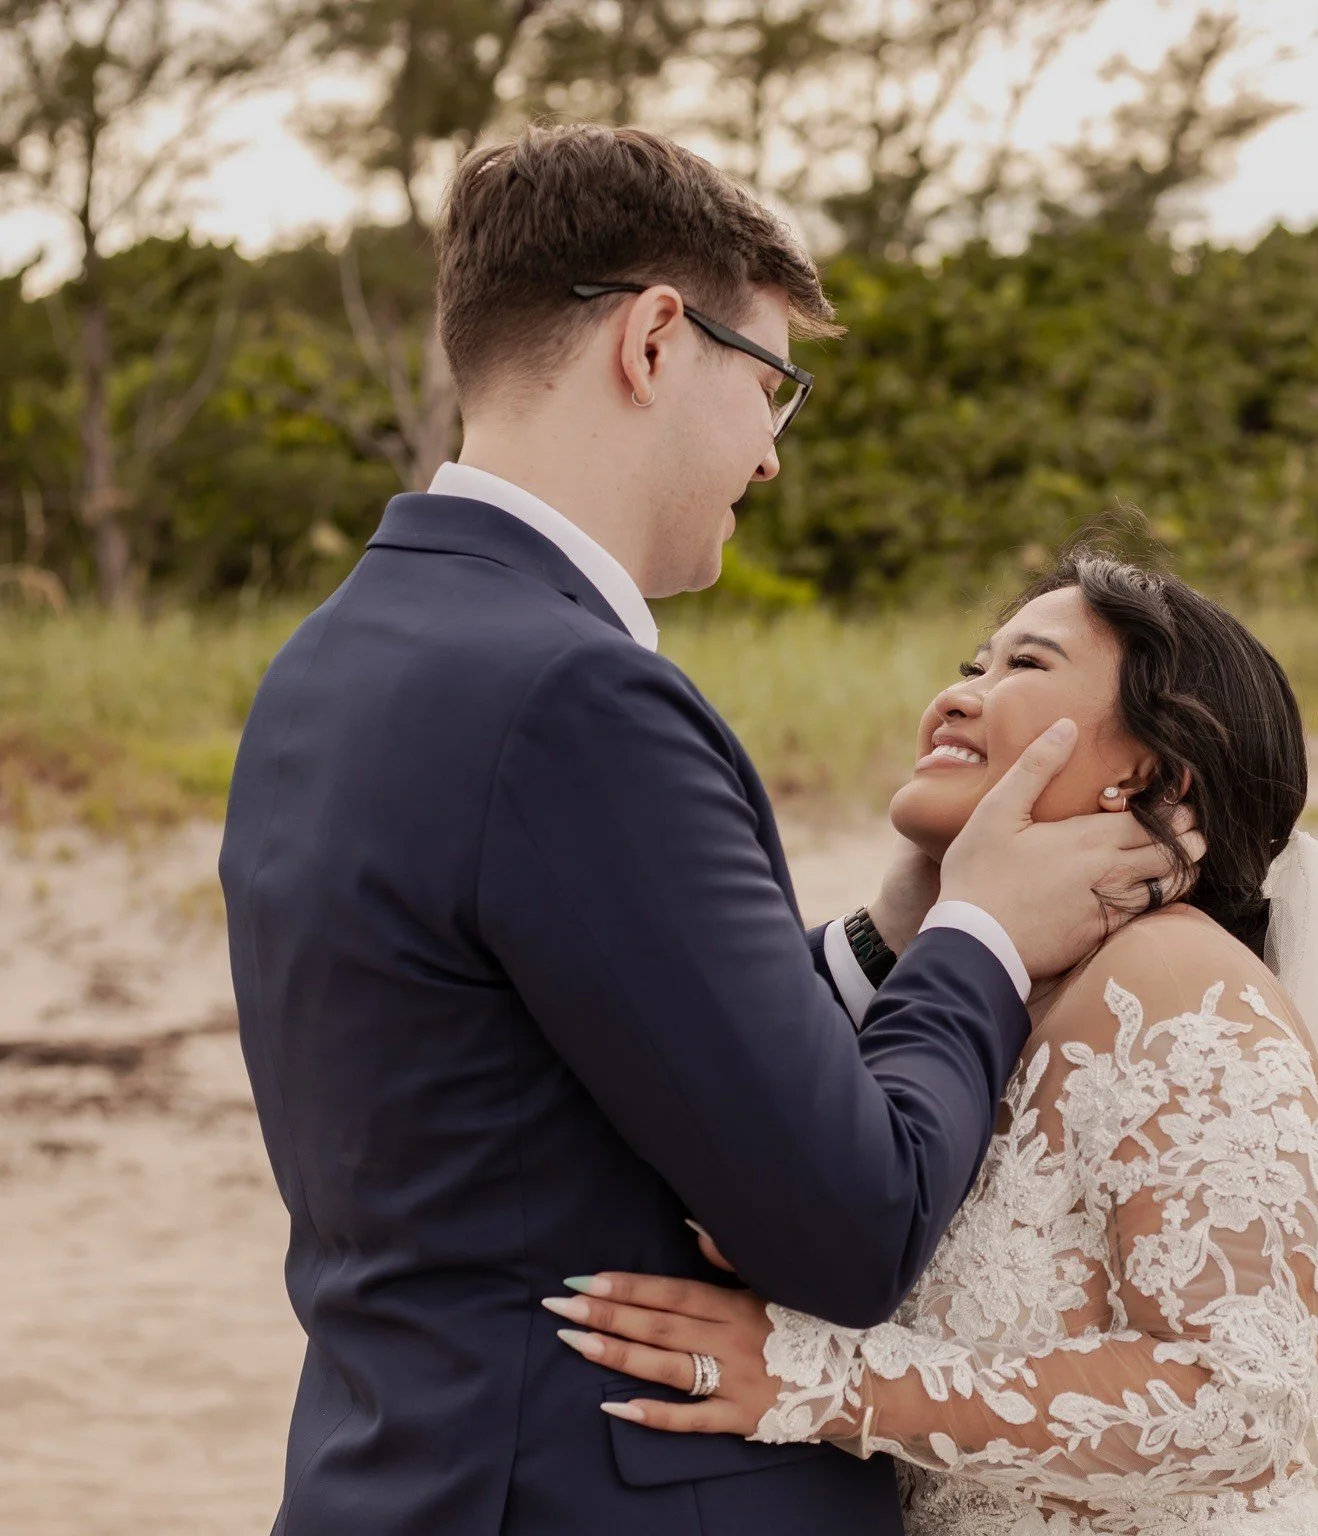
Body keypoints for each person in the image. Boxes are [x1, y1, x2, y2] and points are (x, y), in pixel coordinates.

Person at [219, 124, 1197, 1536]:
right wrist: (982, 933)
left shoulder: (330, 659)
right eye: (771, 386)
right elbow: (851, 1230)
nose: (769, 455)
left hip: (397, 1474)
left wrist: (891, 936)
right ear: (657, 340)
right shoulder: (578, 696)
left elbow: (562, 1051)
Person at [546, 552, 1318, 1535]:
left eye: (1025, 667)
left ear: (1152, 775)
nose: (957, 696)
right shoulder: (979, 993)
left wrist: (819, 1379)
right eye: (973, 664)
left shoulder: (1177, 987)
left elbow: (1241, 1403)